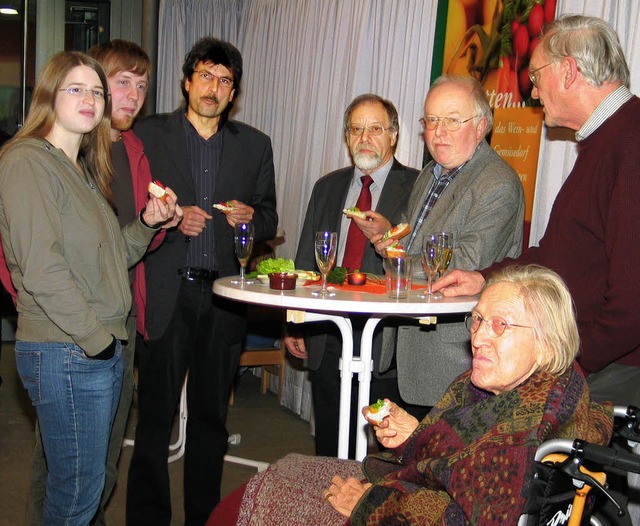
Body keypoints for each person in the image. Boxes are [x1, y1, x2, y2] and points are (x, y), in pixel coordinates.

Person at [209, 264, 613, 525]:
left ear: (546, 343)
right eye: (477, 321)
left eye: (501, 325)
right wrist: (414, 436)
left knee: (265, 498)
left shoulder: (529, 425)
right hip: (413, 491)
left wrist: (370, 505)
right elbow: (463, 459)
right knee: (282, 473)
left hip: (401, 511)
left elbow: (467, 516)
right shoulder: (513, 383)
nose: (478, 337)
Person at [0, 51, 178, 525]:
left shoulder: (80, 168)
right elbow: (41, 269)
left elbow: (112, 259)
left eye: (97, 91)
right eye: (76, 88)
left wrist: (147, 221)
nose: (91, 99)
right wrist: (99, 343)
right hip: (68, 348)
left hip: (91, 346)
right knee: (75, 495)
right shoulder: (27, 161)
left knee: (85, 486)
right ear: (48, 95)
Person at [433, 15, 640, 409]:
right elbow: (557, 258)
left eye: (536, 74)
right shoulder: (608, 139)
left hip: (616, 370)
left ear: (568, 70)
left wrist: (572, 364)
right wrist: (484, 277)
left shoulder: (630, 143)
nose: (530, 88)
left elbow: (633, 299)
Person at [126, 37, 278, 525]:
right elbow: (126, 207)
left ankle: (204, 517)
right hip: (168, 289)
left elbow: (269, 216)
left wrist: (249, 220)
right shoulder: (147, 136)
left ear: (234, 92)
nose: (214, 88)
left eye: (225, 80)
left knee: (212, 420)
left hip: (225, 297)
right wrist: (169, 219)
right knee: (154, 418)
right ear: (187, 81)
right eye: (206, 76)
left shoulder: (255, 145)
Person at [367, 75, 525, 410]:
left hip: (451, 359)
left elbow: (460, 264)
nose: (438, 132)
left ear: (481, 125)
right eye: (431, 121)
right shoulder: (431, 173)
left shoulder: (498, 183)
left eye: (452, 120)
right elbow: (411, 236)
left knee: (440, 462)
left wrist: (398, 259)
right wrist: (390, 240)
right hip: (405, 343)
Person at [284, 93, 419, 457]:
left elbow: (421, 261)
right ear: (346, 137)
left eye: (376, 129)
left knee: (389, 450)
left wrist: (390, 238)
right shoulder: (327, 186)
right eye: (356, 129)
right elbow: (304, 262)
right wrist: (296, 321)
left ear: (393, 136)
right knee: (330, 439)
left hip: (386, 337)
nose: (365, 138)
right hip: (328, 333)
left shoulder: (418, 188)